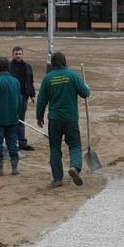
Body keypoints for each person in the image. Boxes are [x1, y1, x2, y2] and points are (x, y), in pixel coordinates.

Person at [36, 51, 90, 188]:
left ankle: (57, 178)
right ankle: (75, 167)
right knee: (75, 145)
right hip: (70, 118)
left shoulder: (48, 78)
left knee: (55, 148)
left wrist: (39, 116)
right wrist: (87, 87)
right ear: (65, 61)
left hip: (54, 119)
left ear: (53, 64)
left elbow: (41, 100)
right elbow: (85, 93)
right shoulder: (72, 75)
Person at [9, 46, 36, 151]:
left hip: (23, 97)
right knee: (11, 120)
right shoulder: (9, 67)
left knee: (20, 120)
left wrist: (32, 95)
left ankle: (22, 143)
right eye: (16, 54)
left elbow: (30, 82)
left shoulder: (27, 66)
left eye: (20, 54)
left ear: (22, 54)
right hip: (11, 98)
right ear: (13, 55)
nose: (18, 56)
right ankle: (10, 142)